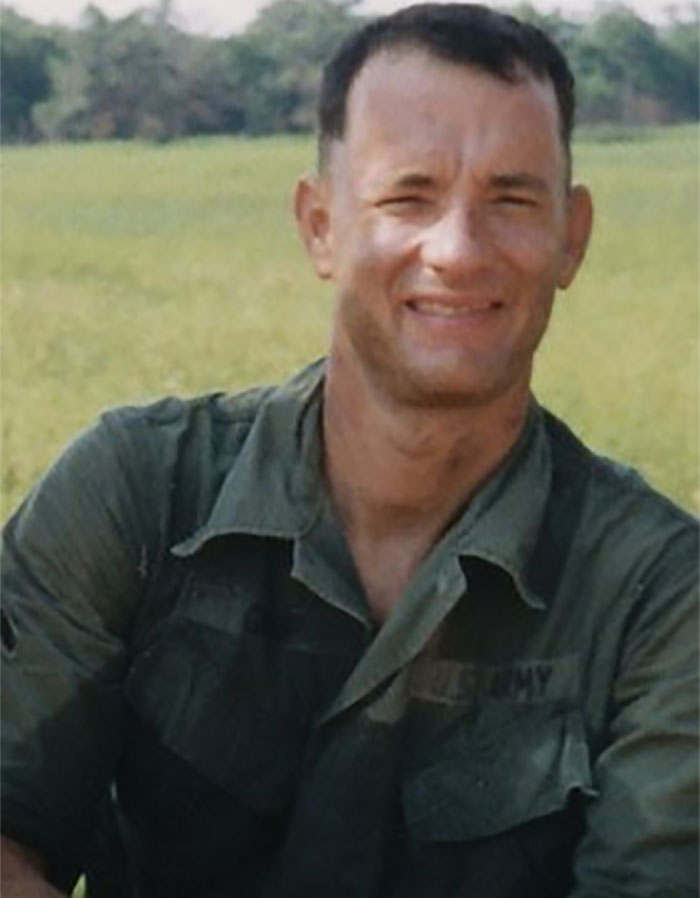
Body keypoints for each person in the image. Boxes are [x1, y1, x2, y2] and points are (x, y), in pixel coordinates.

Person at [2, 4, 697, 896]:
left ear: (573, 236)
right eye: (408, 195)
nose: (457, 249)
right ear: (320, 225)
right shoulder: (136, 494)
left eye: (512, 199)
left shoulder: (660, 595)